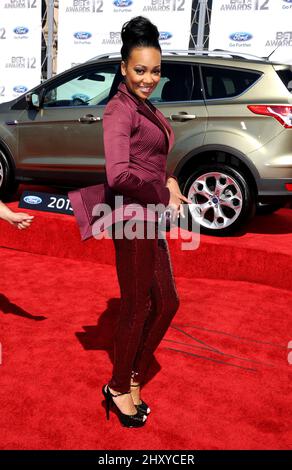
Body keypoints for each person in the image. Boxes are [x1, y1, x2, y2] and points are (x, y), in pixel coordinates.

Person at [101, 16, 190, 428]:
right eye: (140, 70)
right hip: (130, 217)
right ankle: (118, 386)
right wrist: (162, 191)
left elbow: (151, 160)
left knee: (167, 302)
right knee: (136, 306)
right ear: (123, 67)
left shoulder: (144, 105)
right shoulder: (119, 110)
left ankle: (134, 373)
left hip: (149, 215)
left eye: (155, 71)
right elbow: (118, 175)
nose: (149, 78)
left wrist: (169, 179)